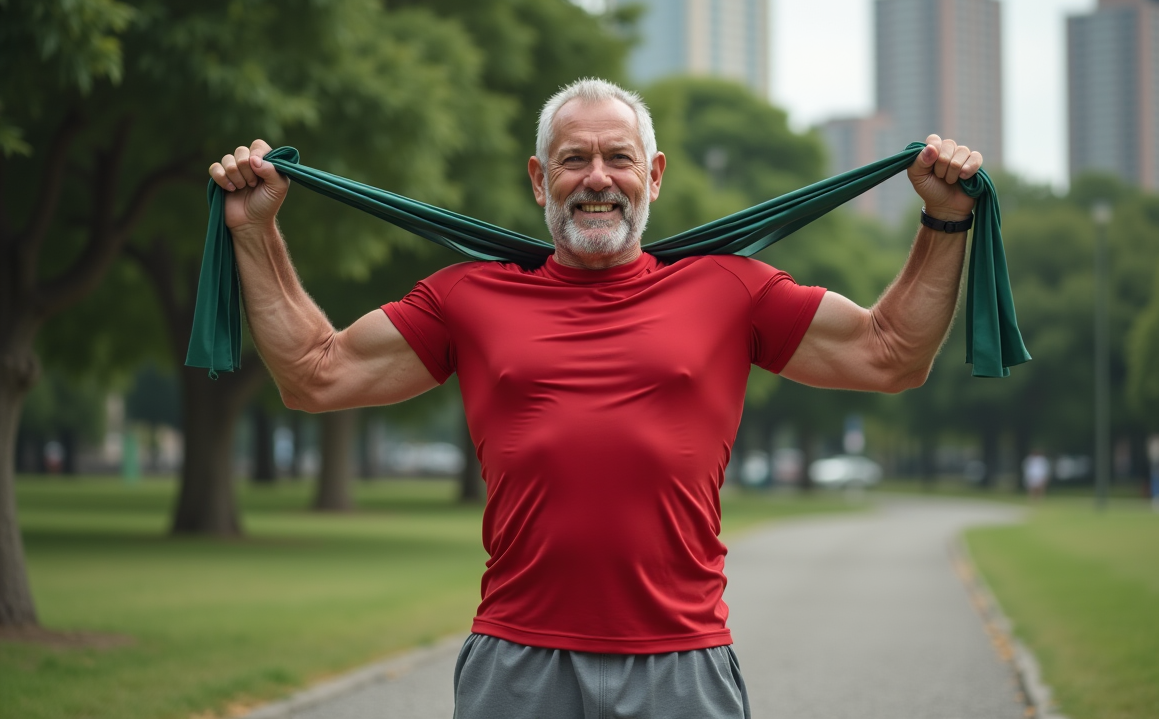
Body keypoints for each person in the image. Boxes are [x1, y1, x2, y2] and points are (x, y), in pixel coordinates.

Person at [208, 78, 983, 719]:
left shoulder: (729, 289)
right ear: (540, 179)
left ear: (654, 176)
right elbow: (315, 373)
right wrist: (254, 232)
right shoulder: (467, 298)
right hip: (518, 667)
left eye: (619, 157)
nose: (598, 177)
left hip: (681, 663)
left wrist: (945, 222)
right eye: (573, 159)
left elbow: (891, 356)